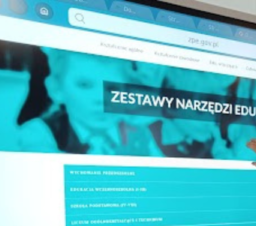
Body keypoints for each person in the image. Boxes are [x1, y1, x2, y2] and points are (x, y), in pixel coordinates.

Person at [18, 48, 159, 156]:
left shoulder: (139, 132)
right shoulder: (39, 132)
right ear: (56, 89)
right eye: (84, 85)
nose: (101, 98)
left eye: (112, 89)